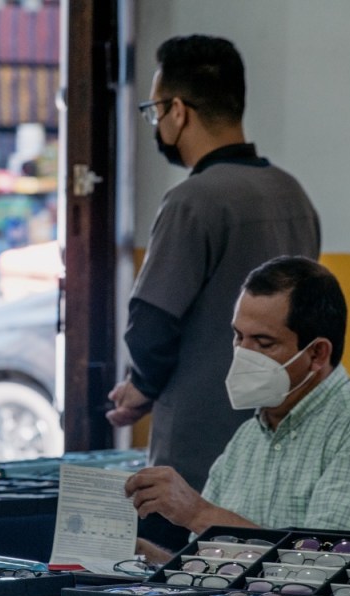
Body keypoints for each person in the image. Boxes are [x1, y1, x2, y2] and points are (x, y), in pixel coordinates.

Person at [107, 35, 321, 505]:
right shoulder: (293, 196)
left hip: (199, 454)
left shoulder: (193, 201)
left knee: (189, 571)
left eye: (155, 111)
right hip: (284, 444)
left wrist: (139, 388)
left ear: (177, 111)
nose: (157, 123)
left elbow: (151, 326)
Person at [124, 257, 350, 563]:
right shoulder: (249, 438)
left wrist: (197, 513)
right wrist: (144, 559)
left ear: (317, 353)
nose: (242, 355)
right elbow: (216, 576)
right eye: (238, 336)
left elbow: (329, 569)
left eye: (264, 343)